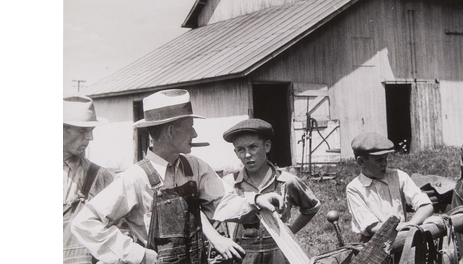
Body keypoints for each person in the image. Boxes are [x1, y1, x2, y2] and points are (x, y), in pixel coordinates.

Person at [71, 89, 244, 264]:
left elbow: (223, 202)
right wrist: (138, 255)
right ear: (170, 131)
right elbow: (85, 223)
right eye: (190, 127)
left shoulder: (195, 167)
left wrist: (256, 201)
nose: (194, 134)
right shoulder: (135, 178)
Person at [213, 118, 321, 264]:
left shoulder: (287, 180)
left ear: (267, 146)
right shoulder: (230, 183)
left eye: (253, 147)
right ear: (236, 152)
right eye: (241, 149)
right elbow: (214, 215)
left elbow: (311, 207)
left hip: (280, 253)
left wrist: (290, 232)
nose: (247, 155)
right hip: (243, 256)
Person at [346, 132, 434, 244]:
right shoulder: (354, 188)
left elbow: (426, 205)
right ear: (361, 161)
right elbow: (372, 227)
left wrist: (410, 225)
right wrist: (402, 227)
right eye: (379, 160)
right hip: (372, 245)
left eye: (385, 158)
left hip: (402, 239)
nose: (384, 164)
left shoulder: (398, 176)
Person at [64, 95, 115, 264]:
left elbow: (120, 230)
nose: (90, 137)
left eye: (91, 130)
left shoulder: (100, 177)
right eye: (82, 130)